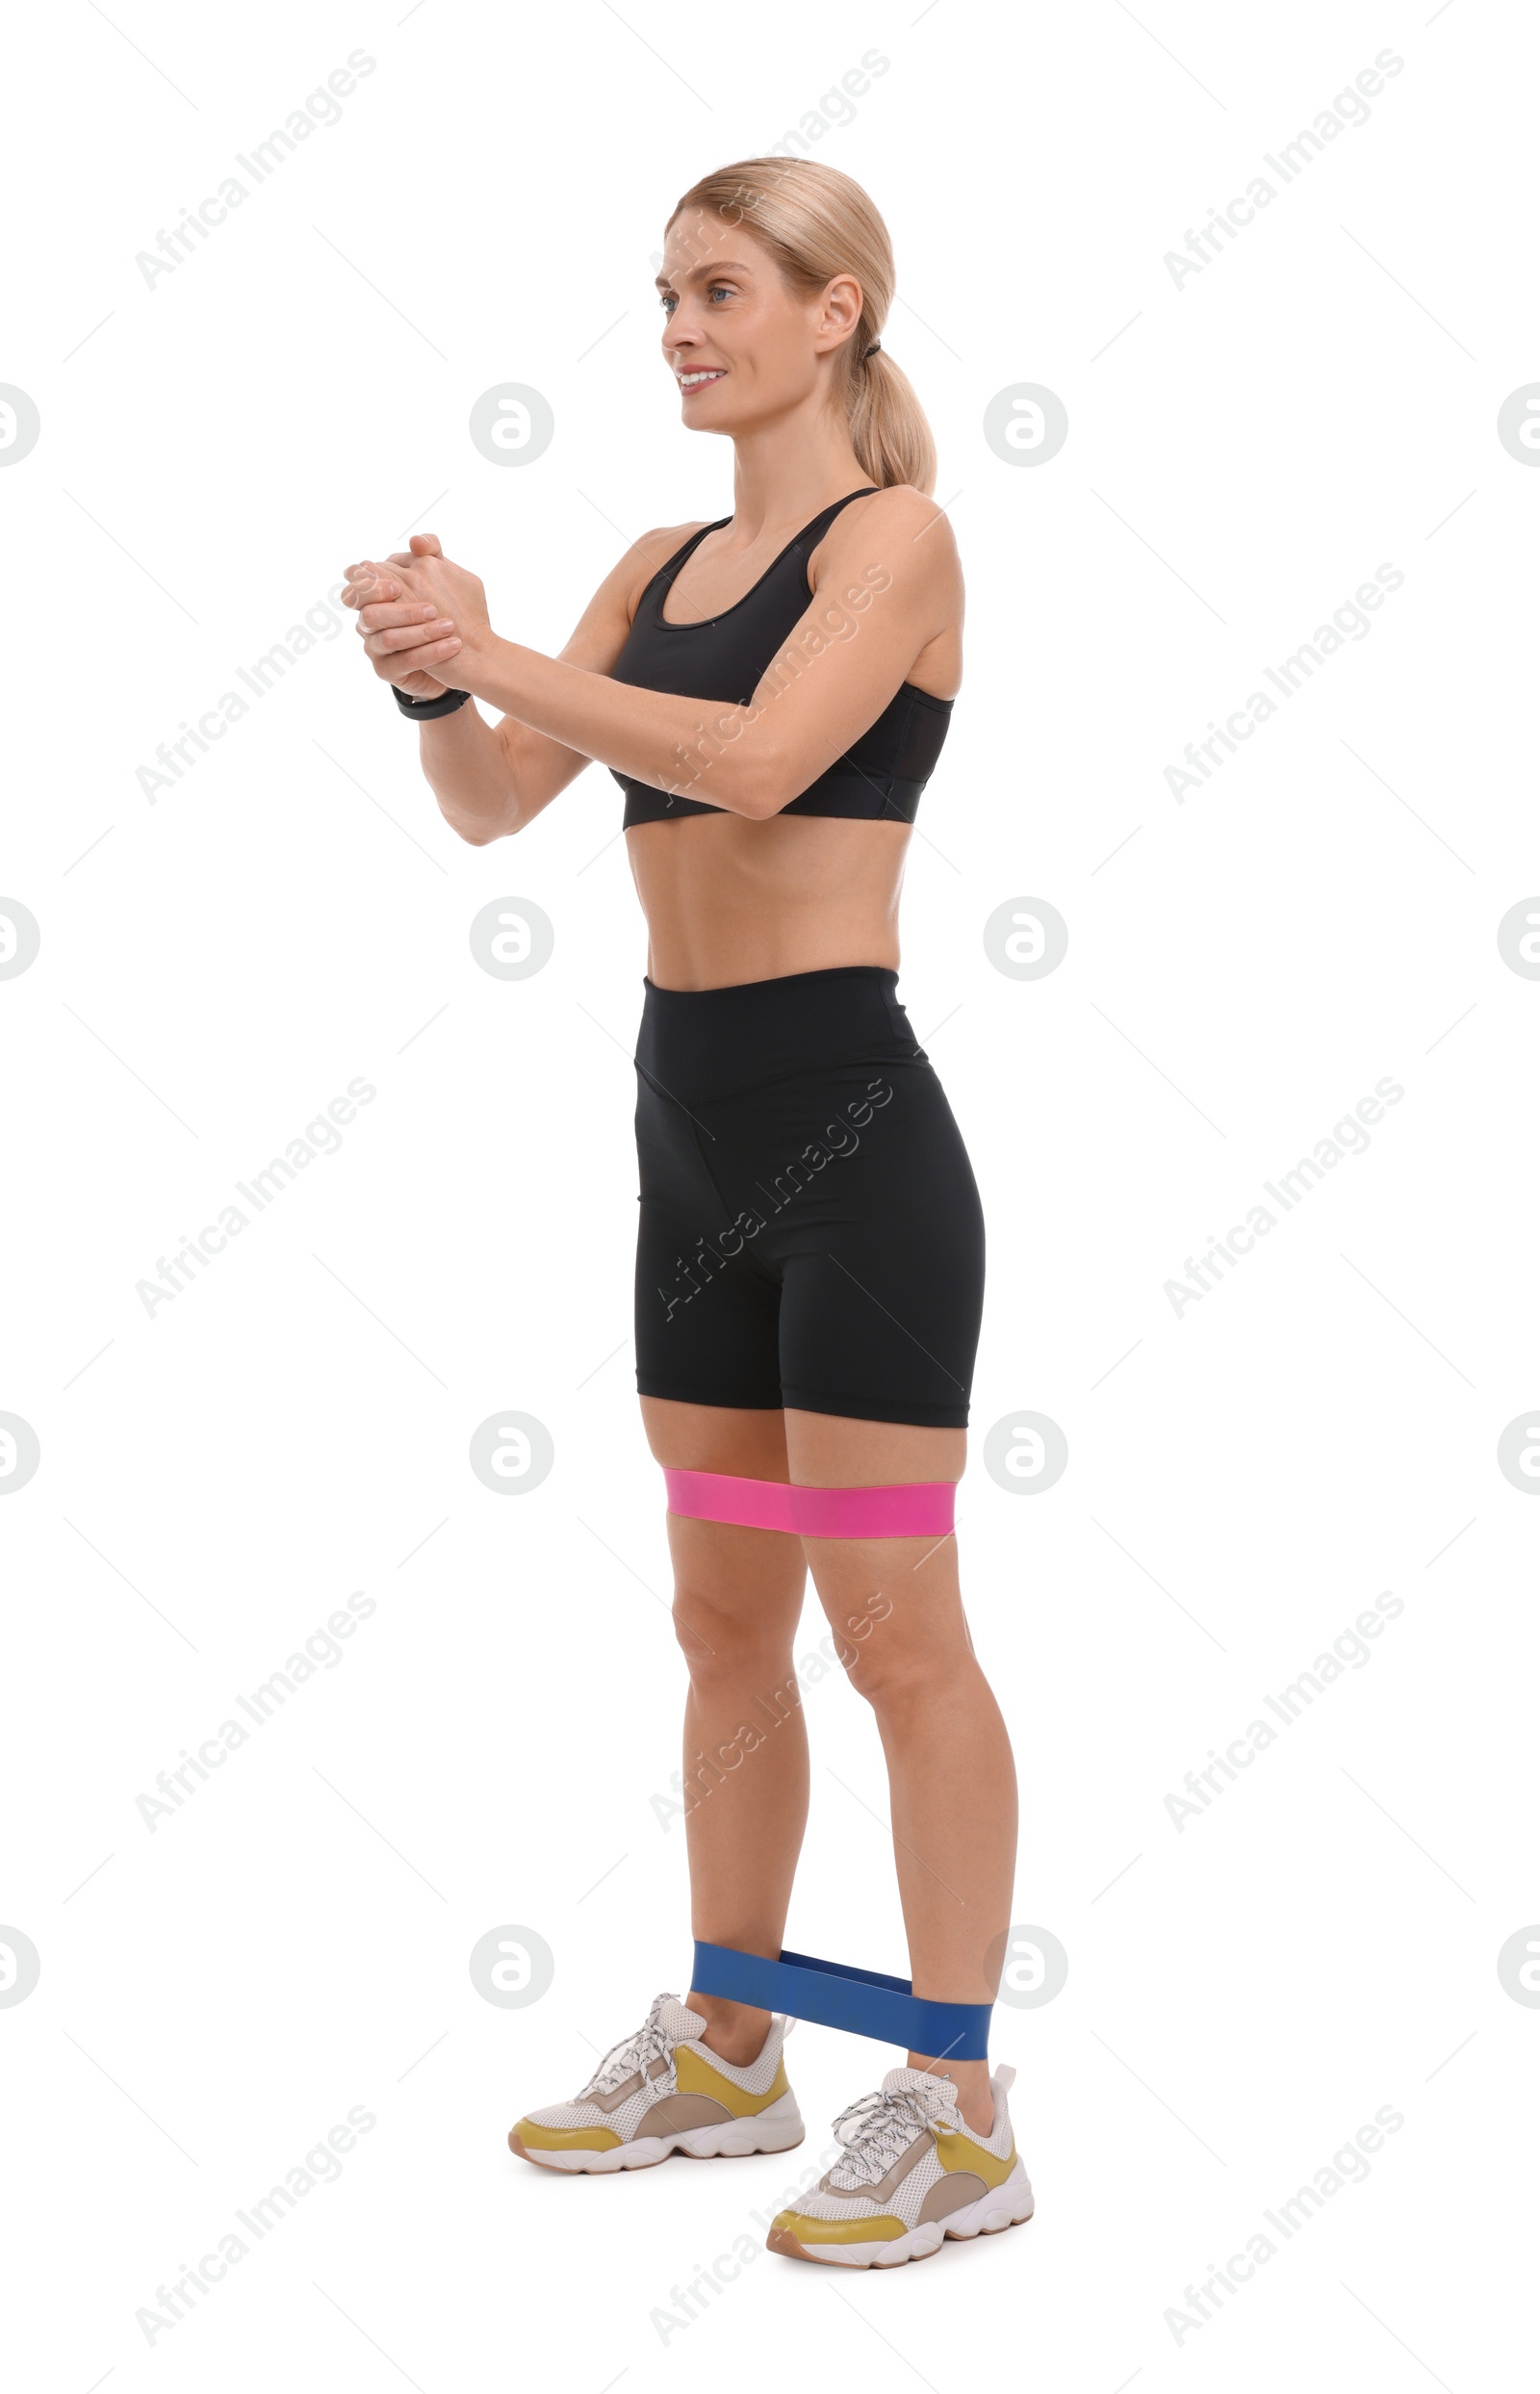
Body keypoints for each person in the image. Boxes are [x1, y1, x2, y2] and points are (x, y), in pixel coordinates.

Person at [342, 156, 1031, 2270]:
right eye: (662, 294)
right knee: (719, 1618)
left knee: (892, 1627)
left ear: (836, 313)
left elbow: (750, 761)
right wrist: (433, 683)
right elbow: (491, 803)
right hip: (684, 1141)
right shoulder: (652, 559)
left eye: (720, 290)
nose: (676, 326)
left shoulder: (894, 537)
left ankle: (954, 2096)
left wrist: (502, 651)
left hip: (850, 1141)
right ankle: (735, 2037)